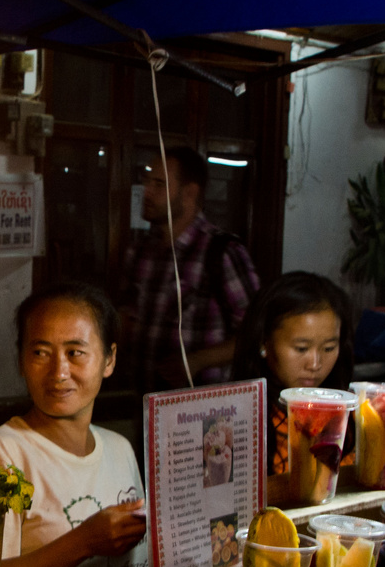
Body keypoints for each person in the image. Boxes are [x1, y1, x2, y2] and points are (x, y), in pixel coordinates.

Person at [0, 282, 149, 567]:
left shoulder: (119, 449)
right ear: (21, 361)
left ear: (109, 359)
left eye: (76, 352)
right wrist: (84, 541)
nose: (59, 372)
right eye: (41, 353)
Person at [121, 145, 261, 390]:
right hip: (140, 400)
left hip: (201, 411)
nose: (146, 192)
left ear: (189, 193)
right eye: (146, 182)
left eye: (159, 184)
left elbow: (257, 332)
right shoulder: (140, 251)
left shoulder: (221, 252)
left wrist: (196, 361)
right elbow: (127, 316)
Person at [231, 272, 356, 483]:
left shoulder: (351, 414)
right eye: (301, 348)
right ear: (264, 342)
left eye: (328, 348)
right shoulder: (238, 423)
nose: (315, 364)